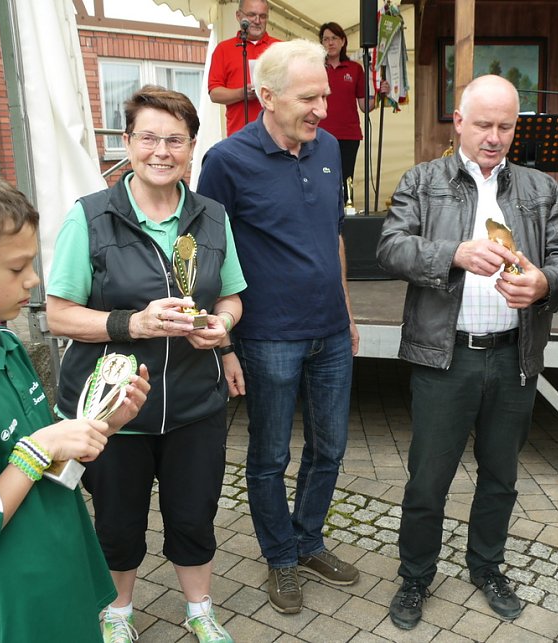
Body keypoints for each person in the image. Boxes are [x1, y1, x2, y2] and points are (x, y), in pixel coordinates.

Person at [377, 75, 558, 631]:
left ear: (517, 126)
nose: (494, 137)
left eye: (505, 126)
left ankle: (487, 566)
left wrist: (543, 283)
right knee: (428, 478)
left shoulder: (540, 188)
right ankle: (416, 575)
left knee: (501, 476)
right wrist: (454, 253)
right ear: (459, 122)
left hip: (514, 356)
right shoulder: (423, 181)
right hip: (445, 358)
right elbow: (390, 247)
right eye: (483, 124)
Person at [0, 154, 149, 642]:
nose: (34, 280)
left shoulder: (4, 344)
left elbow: (51, 469)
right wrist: (37, 449)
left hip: (58, 576)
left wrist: (101, 423)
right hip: (9, 611)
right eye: (17, 267)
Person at [46, 86, 246, 643]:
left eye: (175, 140)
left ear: (192, 148)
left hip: (192, 405)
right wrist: (131, 324)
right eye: (149, 137)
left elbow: (231, 297)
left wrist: (221, 328)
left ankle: (201, 610)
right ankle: (117, 613)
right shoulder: (90, 216)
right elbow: (58, 315)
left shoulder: (212, 217)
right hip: (110, 413)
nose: (162, 151)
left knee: (194, 515)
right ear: (128, 142)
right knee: (116, 521)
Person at [197, 39, 360, 615]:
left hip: (331, 332)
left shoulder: (331, 149)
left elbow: (332, 236)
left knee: (330, 449)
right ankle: (281, 557)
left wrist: (346, 310)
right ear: (266, 97)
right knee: (268, 458)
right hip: (267, 337)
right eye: (308, 97)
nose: (321, 108)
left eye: (323, 94)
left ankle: (309, 540)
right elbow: (207, 256)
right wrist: (226, 347)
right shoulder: (226, 161)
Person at [318, 21, 388, 202]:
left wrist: (381, 95)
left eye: (334, 38)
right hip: (319, 134)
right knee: (322, 176)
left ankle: (346, 216)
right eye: (326, 39)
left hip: (348, 135)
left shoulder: (355, 69)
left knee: (345, 177)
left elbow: (365, 106)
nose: (330, 43)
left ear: (343, 41)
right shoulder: (315, 68)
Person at [208, 0, 280, 137]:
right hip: (239, 134)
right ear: (238, 16)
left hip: (276, 135)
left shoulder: (280, 48)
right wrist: (242, 93)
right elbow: (214, 93)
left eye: (263, 16)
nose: (257, 20)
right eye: (252, 15)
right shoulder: (223, 49)